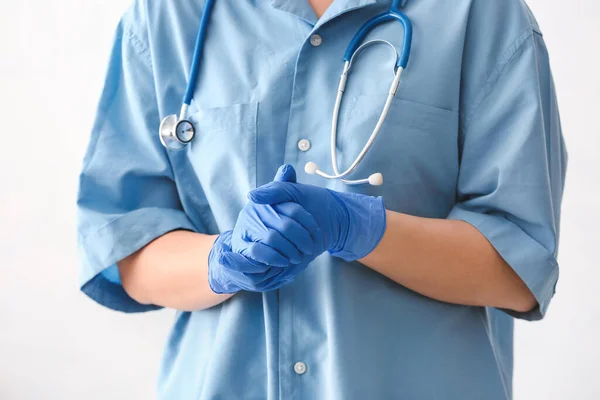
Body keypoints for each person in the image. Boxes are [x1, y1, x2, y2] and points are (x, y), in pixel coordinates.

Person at [76, 0, 567, 398]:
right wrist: (223, 260)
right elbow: (126, 247)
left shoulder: (479, 15)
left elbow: (519, 266)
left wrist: (358, 227)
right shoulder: (168, 17)